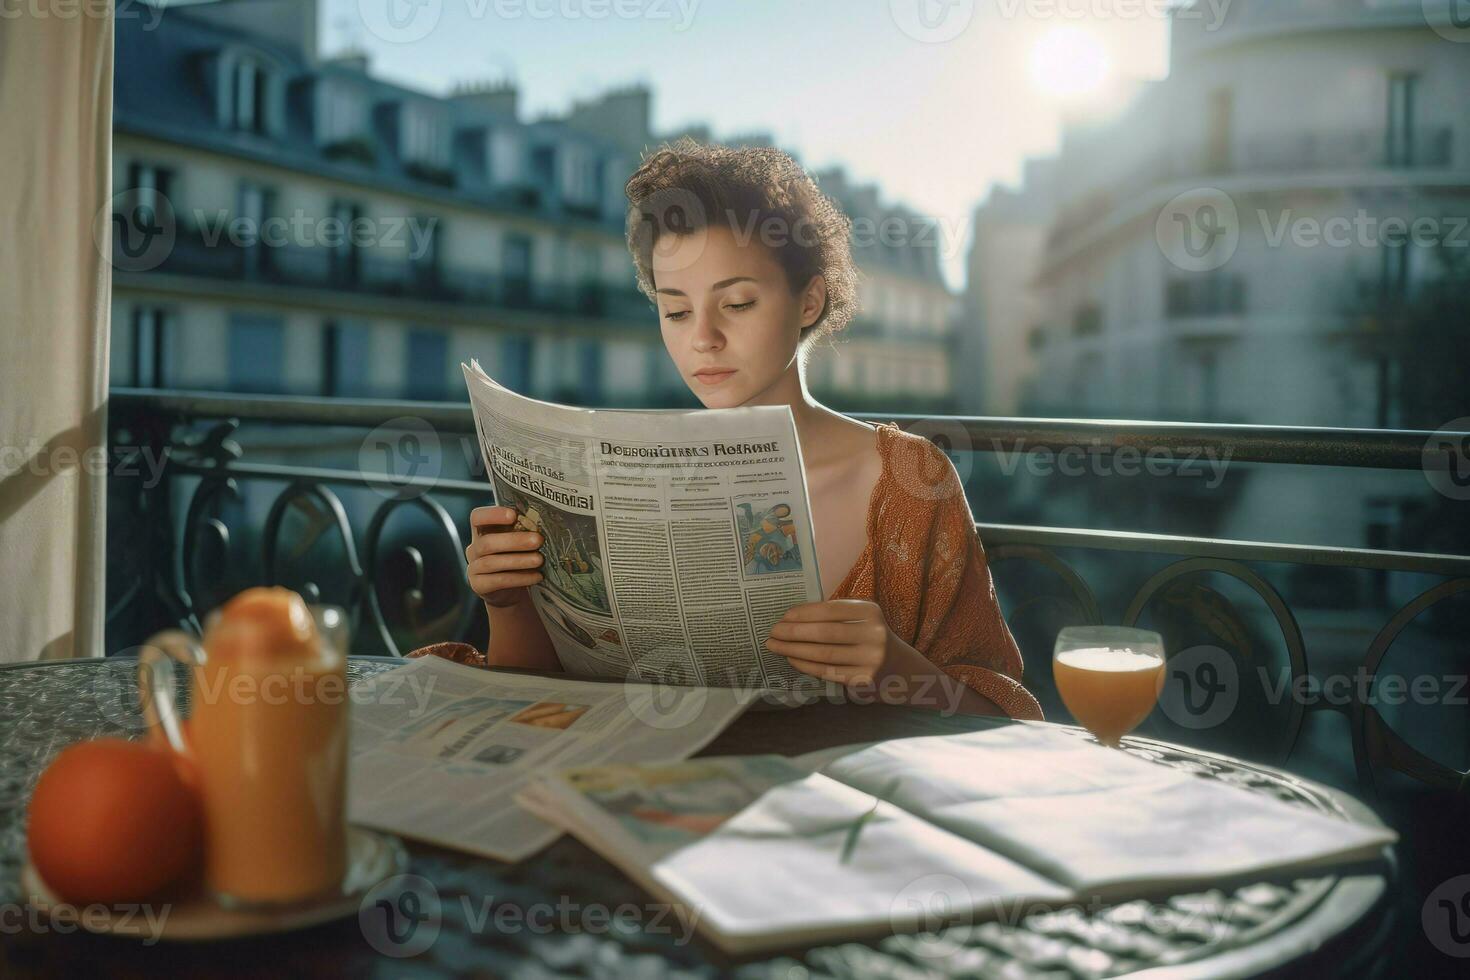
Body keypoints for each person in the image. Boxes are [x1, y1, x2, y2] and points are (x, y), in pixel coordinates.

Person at [439, 140, 1042, 720]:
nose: (701, 337)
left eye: (737, 303)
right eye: (675, 311)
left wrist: (898, 670)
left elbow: (1003, 725)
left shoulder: (907, 480)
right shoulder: (615, 478)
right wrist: (509, 602)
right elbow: (542, 701)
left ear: (809, 303)